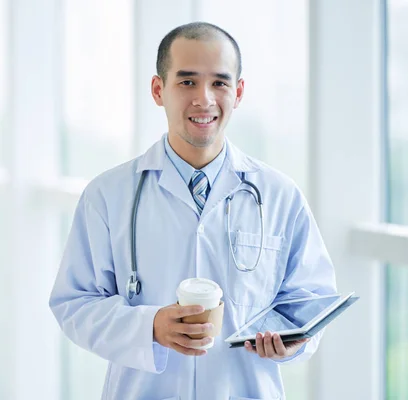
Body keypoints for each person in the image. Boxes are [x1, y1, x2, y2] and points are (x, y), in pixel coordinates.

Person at [49, 21, 336, 400]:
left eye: (219, 82)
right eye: (187, 82)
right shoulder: (107, 195)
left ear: (239, 91)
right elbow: (74, 304)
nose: (204, 98)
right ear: (158, 90)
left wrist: (292, 342)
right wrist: (149, 326)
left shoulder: (280, 195)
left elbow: (311, 301)